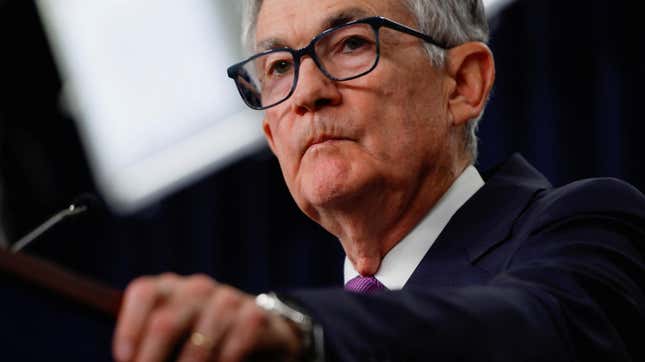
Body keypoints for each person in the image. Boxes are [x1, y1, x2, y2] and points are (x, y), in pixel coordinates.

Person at [113, 0, 645, 361]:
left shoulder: (590, 229)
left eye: (349, 44)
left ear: (463, 83)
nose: (305, 93)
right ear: (273, 139)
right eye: (278, 67)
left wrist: (305, 333)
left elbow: (531, 331)